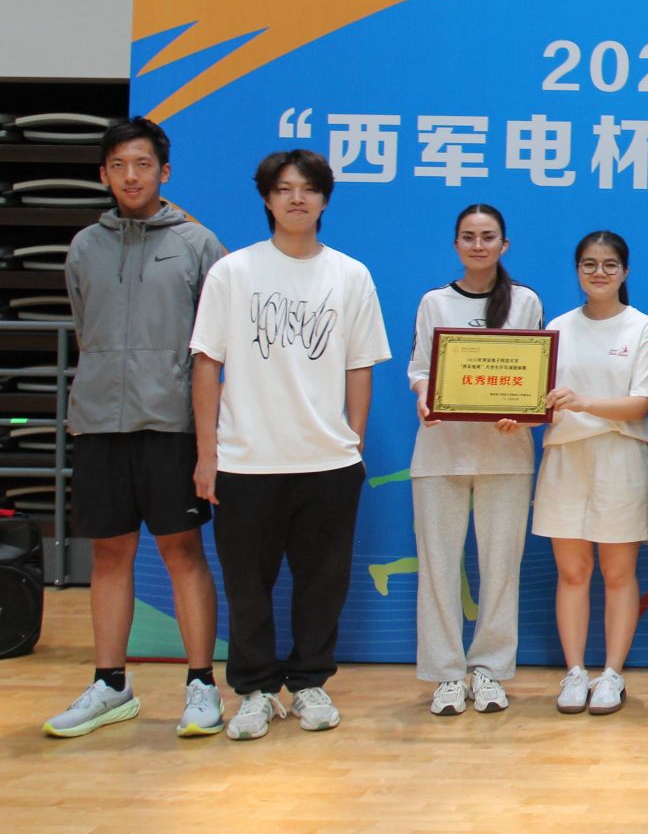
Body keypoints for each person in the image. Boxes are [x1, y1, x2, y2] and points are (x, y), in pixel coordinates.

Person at [189, 150, 390, 741]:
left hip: (327, 461)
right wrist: (207, 453)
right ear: (267, 199)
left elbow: (359, 365)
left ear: (325, 199)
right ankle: (254, 691)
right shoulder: (233, 272)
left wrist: (353, 441)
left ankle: (308, 683)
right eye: (283, 189)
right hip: (246, 459)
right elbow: (207, 363)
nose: (296, 198)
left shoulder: (350, 275)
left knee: (322, 582)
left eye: (307, 189)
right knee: (247, 585)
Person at [43, 118, 227, 739]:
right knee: (109, 553)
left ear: (164, 172)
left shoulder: (198, 244)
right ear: (103, 174)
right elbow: (85, 324)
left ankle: (201, 684)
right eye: (119, 165)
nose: (131, 176)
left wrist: (206, 438)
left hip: (171, 424)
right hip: (99, 423)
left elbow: (215, 344)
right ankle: (110, 685)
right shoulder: (84, 247)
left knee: (182, 551)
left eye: (143, 165)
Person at [406, 203, 543, 717]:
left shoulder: (525, 301)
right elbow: (420, 368)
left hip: (506, 454)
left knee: (501, 569)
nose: (478, 245)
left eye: (488, 237)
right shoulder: (434, 302)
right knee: (438, 567)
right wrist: (424, 397)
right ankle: (445, 674)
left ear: (504, 245)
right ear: (456, 244)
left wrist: (522, 409)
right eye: (469, 236)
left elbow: (535, 372)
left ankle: (488, 669)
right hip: (440, 452)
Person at [534, 231, 648, 716]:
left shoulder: (643, 327)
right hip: (565, 456)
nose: (599, 272)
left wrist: (583, 402)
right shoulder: (557, 327)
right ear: (577, 271)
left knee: (618, 572)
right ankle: (575, 671)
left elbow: (640, 404)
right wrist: (517, 413)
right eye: (589, 264)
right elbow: (540, 399)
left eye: (609, 265)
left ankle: (612, 674)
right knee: (572, 572)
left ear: (625, 272)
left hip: (620, 456)